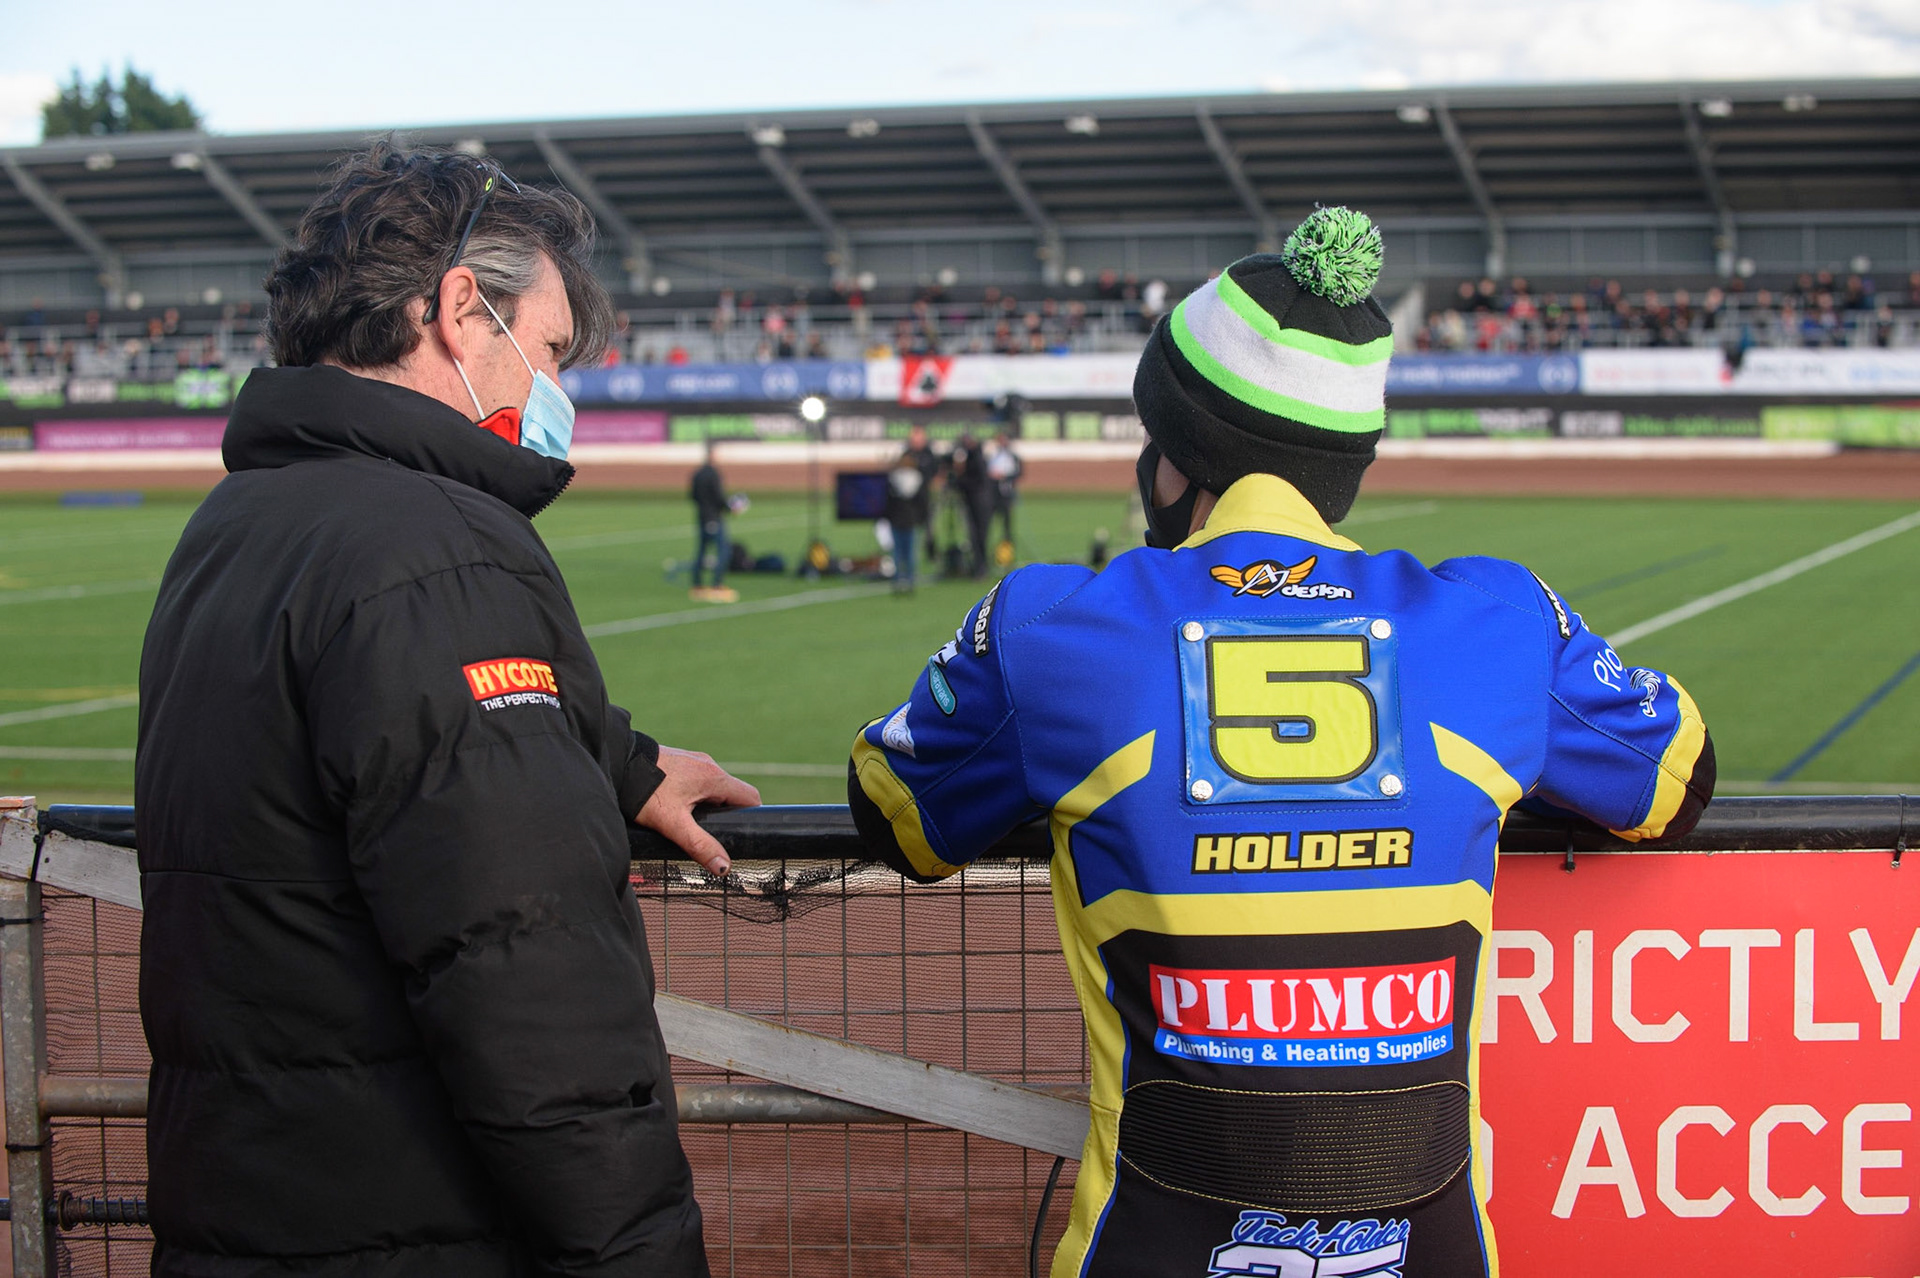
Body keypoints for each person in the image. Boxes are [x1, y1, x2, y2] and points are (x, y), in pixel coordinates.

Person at [845, 208, 1714, 1278]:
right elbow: (1677, 779)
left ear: (1178, 460)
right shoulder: (1500, 619)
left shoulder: (1051, 627)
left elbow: (894, 816)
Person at [136, 143, 759, 1278]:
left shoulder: (237, 523)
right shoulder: (438, 546)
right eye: (551, 351)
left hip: (250, 1209)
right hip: (407, 1230)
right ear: (462, 311)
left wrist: (612, 762)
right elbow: (530, 981)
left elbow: (378, 745)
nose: (556, 393)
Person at [689, 437, 739, 602]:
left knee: (701, 551)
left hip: (702, 516)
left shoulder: (697, 474)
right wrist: (731, 508)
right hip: (714, 518)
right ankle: (717, 585)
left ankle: (697, 585)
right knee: (723, 551)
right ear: (712, 455)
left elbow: (692, 496)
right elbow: (719, 498)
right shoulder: (713, 474)